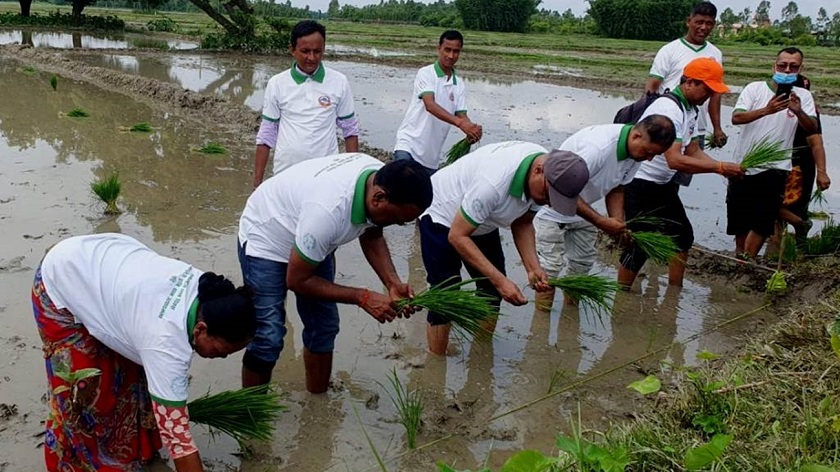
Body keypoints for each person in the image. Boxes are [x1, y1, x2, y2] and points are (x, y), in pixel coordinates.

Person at [33, 233, 256, 472]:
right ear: (201, 329)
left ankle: (132, 452)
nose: (221, 357)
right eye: (221, 351)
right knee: (85, 391)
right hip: (61, 281)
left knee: (127, 377)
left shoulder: (211, 292)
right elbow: (178, 441)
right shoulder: (164, 342)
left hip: (106, 263)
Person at [238, 154, 432, 393]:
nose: (398, 225)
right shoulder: (327, 212)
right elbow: (297, 280)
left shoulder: (380, 179)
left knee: (324, 325)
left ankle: (317, 400)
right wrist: (362, 297)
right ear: (379, 198)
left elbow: (372, 232)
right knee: (268, 334)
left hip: (310, 240)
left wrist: (392, 282)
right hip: (267, 235)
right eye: (398, 219)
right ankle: (251, 414)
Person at [420, 141, 589, 355]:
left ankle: (480, 354)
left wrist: (533, 267)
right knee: (446, 291)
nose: (548, 203)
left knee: (490, 291)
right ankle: (437, 361)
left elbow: (523, 222)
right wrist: (500, 281)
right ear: (538, 171)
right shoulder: (493, 183)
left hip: (483, 219)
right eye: (548, 196)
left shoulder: (551, 175)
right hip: (442, 214)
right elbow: (458, 235)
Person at [618, 57, 744, 289]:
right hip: (640, 183)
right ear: (689, 83)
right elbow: (675, 159)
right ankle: (622, 294)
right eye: (707, 89)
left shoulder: (691, 110)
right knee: (639, 245)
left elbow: (693, 150)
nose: (710, 96)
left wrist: (721, 169)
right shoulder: (669, 109)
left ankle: (674, 291)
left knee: (682, 237)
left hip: (662, 185)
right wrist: (719, 167)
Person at [534, 114, 677, 309]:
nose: (649, 159)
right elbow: (561, 189)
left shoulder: (636, 152)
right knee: (549, 270)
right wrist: (600, 221)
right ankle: (542, 323)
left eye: (654, 155)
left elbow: (617, 187)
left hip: (586, 210)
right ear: (636, 136)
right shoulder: (597, 149)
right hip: (553, 209)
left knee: (581, 268)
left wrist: (616, 222)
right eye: (648, 152)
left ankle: (570, 315)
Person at [727, 47, 819, 259]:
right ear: (774, 66)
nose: (787, 70)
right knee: (739, 218)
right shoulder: (754, 89)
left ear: (800, 68)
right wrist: (766, 110)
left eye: (793, 66)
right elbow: (737, 118)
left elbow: (812, 128)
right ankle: (740, 257)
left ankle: (747, 260)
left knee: (763, 219)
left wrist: (798, 111)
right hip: (744, 163)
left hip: (776, 166)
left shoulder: (803, 96)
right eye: (782, 65)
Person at [253, 20, 360, 188]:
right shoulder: (277, 83)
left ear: (323, 49)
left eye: (317, 51)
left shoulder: (339, 82)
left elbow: (350, 130)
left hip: (326, 174)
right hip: (286, 173)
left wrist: (354, 177)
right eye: (305, 51)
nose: (311, 58)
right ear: (292, 50)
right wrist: (257, 184)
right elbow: (267, 135)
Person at [393, 30, 482, 174]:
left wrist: (472, 129)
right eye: (447, 50)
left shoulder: (458, 84)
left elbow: (462, 115)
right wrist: (461, 124)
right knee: (404, 191)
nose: (451, 56)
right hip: (408, 146)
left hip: (431, 158)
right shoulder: (426, 73)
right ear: (439, 48)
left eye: (456, 51)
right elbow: (430, 105)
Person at [647, 2, 726, 154]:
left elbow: (716, 94)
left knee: (686, 172)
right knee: (660, 172)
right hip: (666, 126)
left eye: (709, 23)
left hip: (696, 128)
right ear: (688, 21)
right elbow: (652, 86)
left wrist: (717, 128)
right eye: (699, 22)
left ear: (714, 25)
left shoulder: (716, 54)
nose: (703, 27)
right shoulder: (670, 50)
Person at [777, 74, 831, 246]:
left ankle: (800, 229)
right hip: (775, 162)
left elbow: (816, 143)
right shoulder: (775, 106)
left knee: (780, 206)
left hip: (798, 167)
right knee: (772, 208)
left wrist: (822, 172)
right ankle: (778, 251)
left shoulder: (809, 114)